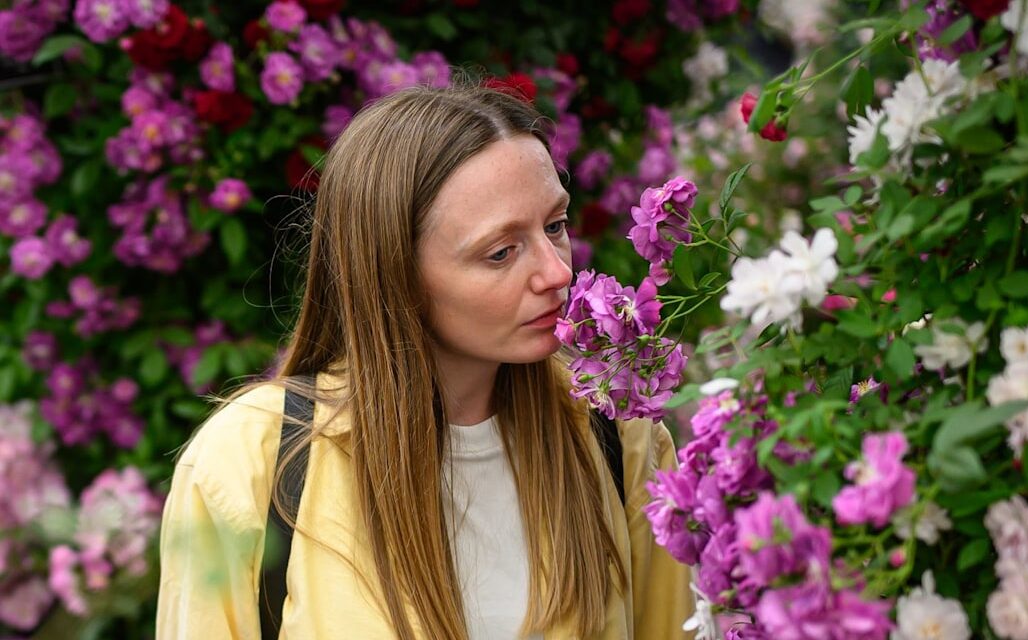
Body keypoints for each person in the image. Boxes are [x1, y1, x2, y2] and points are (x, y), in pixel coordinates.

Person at [154, 84, 697, 639]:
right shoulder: (253, 461)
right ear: (395, 275)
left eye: (554, 226)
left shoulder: (616, 435)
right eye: (501, 252)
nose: (557, 272)